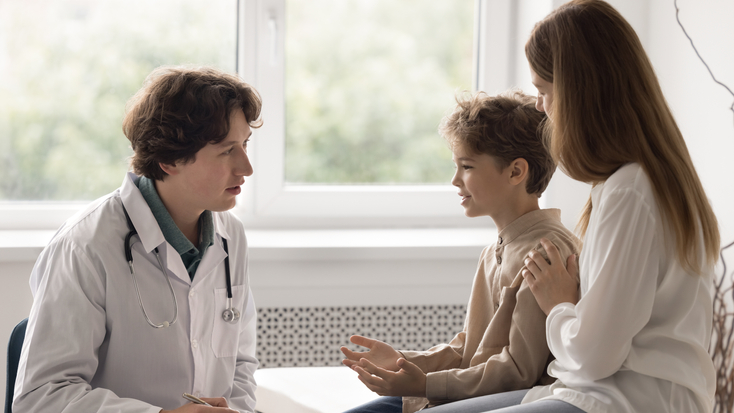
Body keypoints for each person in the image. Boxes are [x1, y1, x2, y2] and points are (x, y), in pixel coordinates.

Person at [414, 1, 721, 412]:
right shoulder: (631, 184)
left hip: (628, 399)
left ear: (579, 93)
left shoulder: (630, 191)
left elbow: (595, 355)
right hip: (597, 391)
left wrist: (560, 303)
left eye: (544, 91)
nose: (540, 106)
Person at [13, 66, 262, 412]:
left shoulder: (230, 235)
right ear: (170, 160)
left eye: (245, 144)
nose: (246, 167)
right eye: (226, 150)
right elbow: (41, 397)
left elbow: (241, 368)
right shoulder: (85, 245)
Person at [340, 90, 581, 413]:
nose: (455, 180)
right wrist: (403, 361)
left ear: (515, 172)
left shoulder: (544, 253)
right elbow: (470, 347)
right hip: (471, 390)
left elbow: (519, 372)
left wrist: (427, 384)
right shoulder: (493, 252)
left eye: (466, 166)